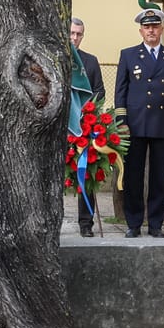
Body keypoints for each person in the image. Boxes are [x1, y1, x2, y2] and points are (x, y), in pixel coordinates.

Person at [114, 8, 164, 238]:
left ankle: (155, 223)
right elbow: (121, 91)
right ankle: (133, 223)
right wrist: (121, 121)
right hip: (134, 124)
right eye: (147, 27)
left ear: (162, 29)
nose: (151, 31)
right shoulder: (128, 55)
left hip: (162, 124)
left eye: (155, 26)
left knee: (159, 177)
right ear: (141, 31)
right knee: (133, 176)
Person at [71, 17, 106, 237]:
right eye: (72, 33)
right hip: (57, 129)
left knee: (86, 175)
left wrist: (88, 111)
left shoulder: (90, 61)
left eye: (79, 34)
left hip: (83, 126)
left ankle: (86, 223)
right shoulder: (52, 57)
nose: (75, 38)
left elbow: (99, 91)